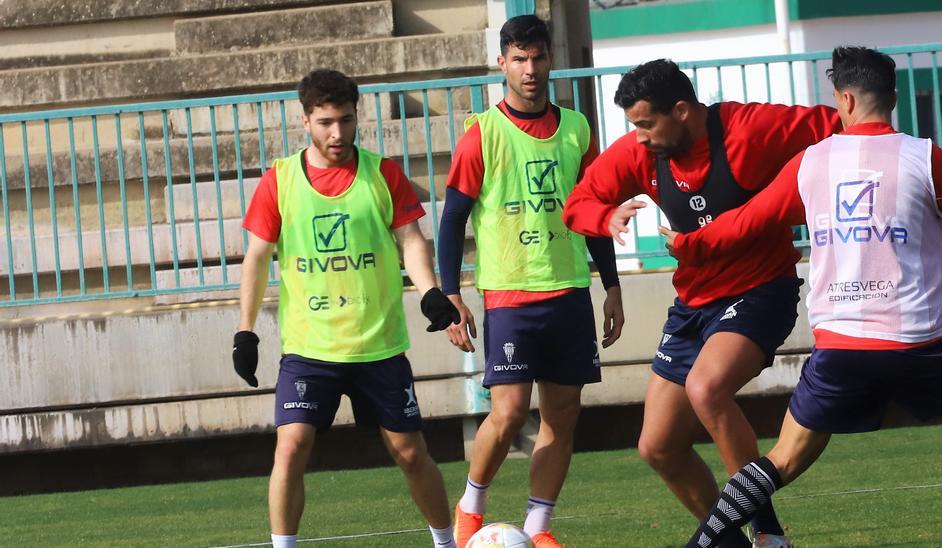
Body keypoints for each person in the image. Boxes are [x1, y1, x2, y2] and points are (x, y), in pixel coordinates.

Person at [668, 46, 942, 548]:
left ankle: (702, 544)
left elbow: (746, 222)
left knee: (782, 459)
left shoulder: (812, 162)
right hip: (918, 340)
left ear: (844, 99)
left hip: (840, 346)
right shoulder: (923, 156)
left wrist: (688, 243)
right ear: (892, 98)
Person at [562, 59, 842, 547]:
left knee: (706, 388)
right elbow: (577, 203)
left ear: (683, 110)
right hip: (694, 303)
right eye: (634, 127)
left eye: (647, 124)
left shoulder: (749, 129)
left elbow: (841, 125)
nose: (640, 137)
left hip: (761, 289)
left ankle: (768, 534)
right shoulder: (639, 152)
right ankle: (729, 542)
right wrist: (604, 216)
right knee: (657, 447)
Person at [231, 68, 463, 548]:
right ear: (305, 121)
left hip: (377, 346)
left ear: (357, 116)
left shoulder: (382, 174)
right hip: (310, 349)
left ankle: (447, 542)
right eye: (325, 123)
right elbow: (255, 257)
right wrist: (245, 330)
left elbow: (410, 241)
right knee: (291, 447)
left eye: (346, 120)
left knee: (408, 451)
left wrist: (429, 292)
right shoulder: (280, 179)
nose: (337, 133)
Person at [436, 15, 624, 548]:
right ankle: (471, 506)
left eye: (538, 58)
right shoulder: (483, 133)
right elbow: (452, 219)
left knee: (562, 415)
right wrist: (452, 294)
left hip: (569, 289)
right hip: (510, 292)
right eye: (519, 59)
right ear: (502, 64)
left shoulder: (577, 129)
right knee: (511, 410)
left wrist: (610, 285)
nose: (530, 69)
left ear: (550, 60)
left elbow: (594, 211)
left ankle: (538, 530)